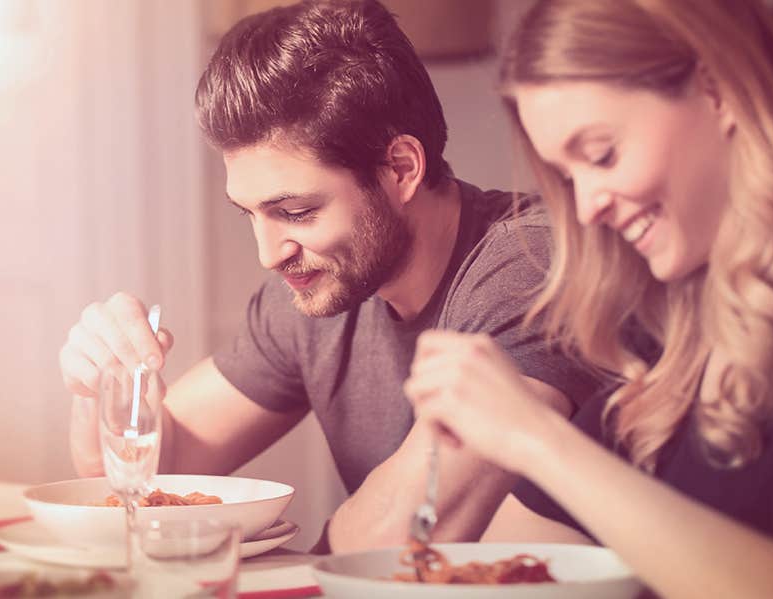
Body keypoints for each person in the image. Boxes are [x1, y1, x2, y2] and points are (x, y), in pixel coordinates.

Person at [404, 0, 773, 597]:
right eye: (567, 177)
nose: (586, 207)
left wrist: (535, 437)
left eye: (602, 154)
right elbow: (505, 571)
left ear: (719, 92)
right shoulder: (669, 352)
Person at [58, 0, 599, 553]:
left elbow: (403, 538)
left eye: (295, 212)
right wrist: (100, 381)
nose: (269, 253)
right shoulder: (319, 283)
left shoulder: (530, 264)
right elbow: (151, 472)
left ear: (401, 169)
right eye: (250, 214)